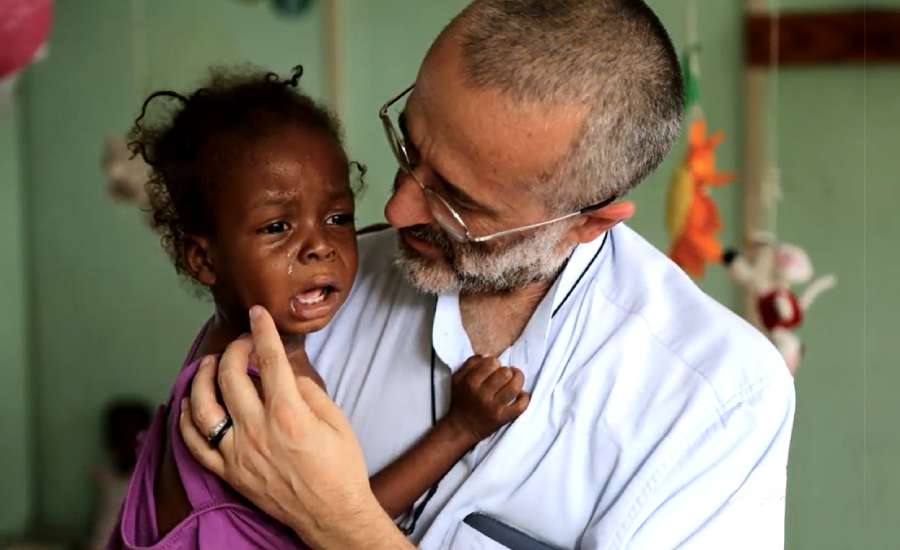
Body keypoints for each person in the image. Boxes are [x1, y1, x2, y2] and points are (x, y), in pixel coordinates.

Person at [183, 1, 796, 548]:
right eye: (408, 148)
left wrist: (340, 525)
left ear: (590, 222)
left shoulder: (714, 400)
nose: (396, 210)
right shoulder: (307, 292)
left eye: (459, 202)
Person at [109, 65, 530, 549]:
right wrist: (460, 429)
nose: (319, 247)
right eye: (276, 228)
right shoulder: (264, 388)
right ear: (204, 259)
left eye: (337, 217)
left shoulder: (225, 344)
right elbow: (344, 518)